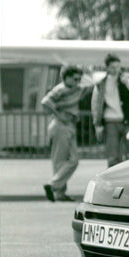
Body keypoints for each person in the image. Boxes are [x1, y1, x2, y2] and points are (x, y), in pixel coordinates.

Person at [41, 65, 93, 201]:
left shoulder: (76, 89)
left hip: (70, 124)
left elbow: (91, 83)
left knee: (73, 160)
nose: (78, 81)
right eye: (75, 79)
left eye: (79, 79)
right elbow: (45, 101)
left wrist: (84, 73)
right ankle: (59, 192)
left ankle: (53, 186)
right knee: (60, 160)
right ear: (66, 78)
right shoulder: (60, 89)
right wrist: (58, 114)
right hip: (60, 124)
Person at [91, 53, 129, 167]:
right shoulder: (101, 84)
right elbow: (96, 104)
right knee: (113, 157)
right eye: (112, 67)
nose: (116, 70)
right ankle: (114, 183)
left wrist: (127, 82)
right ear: (107, 68)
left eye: (118, 66)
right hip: (110, 122)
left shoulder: (127, 78)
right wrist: (97, 124)